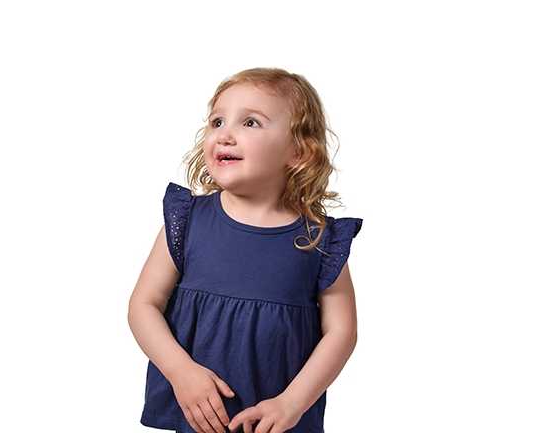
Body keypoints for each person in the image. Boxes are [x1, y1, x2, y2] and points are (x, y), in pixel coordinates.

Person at [128, 67, 364, 433]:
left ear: (298, 152)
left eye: (250, 123)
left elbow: (342, 331)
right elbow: (143, 305)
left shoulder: (320, 238)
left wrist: (293, 402)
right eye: (217, 121)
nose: (225, 135)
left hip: (279, 422)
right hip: (202, 415)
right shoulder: (188, 221)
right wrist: (180, 372)